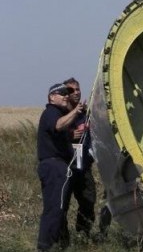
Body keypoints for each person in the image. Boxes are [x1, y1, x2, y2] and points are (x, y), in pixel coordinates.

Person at [37, 83, 84, 251]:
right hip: (54, 166)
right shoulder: (51, 112)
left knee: (56, 207)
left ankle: (56, 244)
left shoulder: (57, 113)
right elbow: (58, 125)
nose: (66, 95)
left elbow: (59, 133)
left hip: (56, 166)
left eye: (67, 93)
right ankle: (46, 246)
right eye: (61, 93)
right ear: (51, 97)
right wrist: (76, 111)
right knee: (55, 208)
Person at [63, 77, 97, 239]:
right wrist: (70, 135)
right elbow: (52, 133)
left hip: (83, 166)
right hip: (66, 167)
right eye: (71, 90)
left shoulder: (85, 113)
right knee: (62, 204)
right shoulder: (62, 114)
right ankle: (62, 238)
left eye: (78, 89)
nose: (76, 93)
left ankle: (83, 234)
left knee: (89, 201)